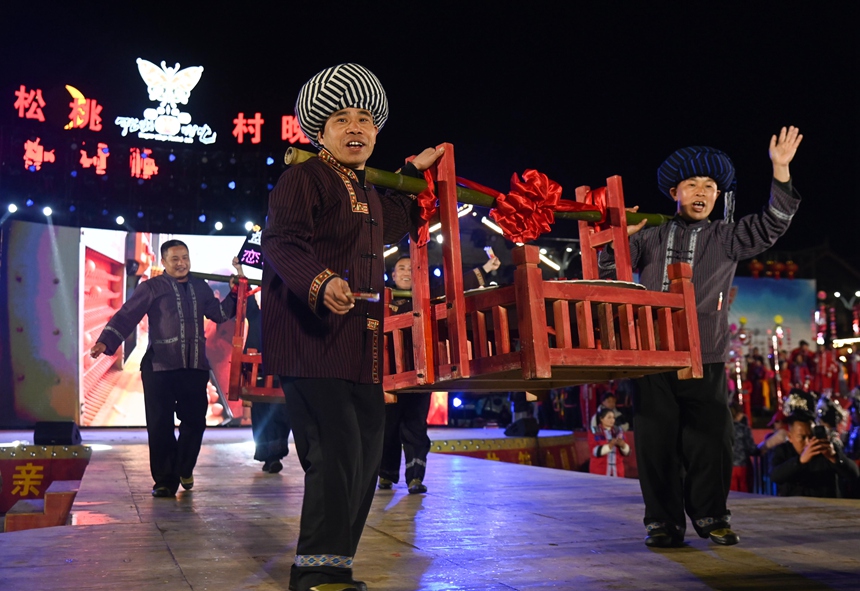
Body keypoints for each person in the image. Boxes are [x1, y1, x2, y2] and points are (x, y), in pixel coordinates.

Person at [259, 63, 443, 591]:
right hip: (309, 341)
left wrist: (414, 169)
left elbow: (401, 215)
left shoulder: (368, 192)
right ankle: (312, 573)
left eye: (364, 117)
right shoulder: (303, 177)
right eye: (341, 118)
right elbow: (281, 244)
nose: (355, 127)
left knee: (363, 457)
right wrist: (319, 280)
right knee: (334, 451)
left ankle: (334, 567)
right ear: (320, 131)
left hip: (362, 348)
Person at [599, 126, 804, 548]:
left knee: (712, 441)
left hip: (706, 356)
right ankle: (662, 523)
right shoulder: (652, 235)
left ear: (717, 197)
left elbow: (771, 225)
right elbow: (609, 276)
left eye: (710, 186)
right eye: (692, 183)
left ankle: (711, 516)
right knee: (656, 444)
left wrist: (780, 170)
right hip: (653, 356)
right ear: (674, 191)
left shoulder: (726, 237)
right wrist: (618, 242)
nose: (701, 191)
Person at [90, 240, 237, 497]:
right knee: (160, 426)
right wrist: (106, 341)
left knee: (194, 423)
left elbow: (220, 314)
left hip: (194, 367)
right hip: (160, 367)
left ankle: (183, 467)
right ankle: (165, 481)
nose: (181, 263)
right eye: (175, 259)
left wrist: (234, 294)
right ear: (164, 262)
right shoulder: (152, 288)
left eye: (185, 257)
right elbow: (127, 315)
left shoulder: (200, 288)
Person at [379, 255, 499, 494]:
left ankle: (415, 477)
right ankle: (386, 475)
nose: (405, 273)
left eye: (411, 269)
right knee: (387, 428)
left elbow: (455, 286)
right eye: (401, 269)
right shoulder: (382, 299)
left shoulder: (426, 298)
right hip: (389, 375)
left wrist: (485, 268)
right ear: (393, 276)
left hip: (421, 374)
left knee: (415, 426)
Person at [231, 258, 291, 473]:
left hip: (283, 370)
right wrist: (239, 269)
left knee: (282, 415)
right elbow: (244, 292)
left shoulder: (291, 317)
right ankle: (269, 456)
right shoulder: (257, 314)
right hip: (258, 370)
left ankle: (275, 454)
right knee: (261, 414)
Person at [770, 412, 859, 497]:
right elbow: (775, 476)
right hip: (795, 508)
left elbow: (854, 474)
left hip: (827, 507)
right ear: (790, 437)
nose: (808, 442)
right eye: (802, 437)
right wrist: (799, 461)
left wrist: (834, 457)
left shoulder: (826, 448)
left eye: (811, 436)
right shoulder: (783, 450)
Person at [588, 406, 630, 477]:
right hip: (599, 471)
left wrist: (623, 446)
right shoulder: (594, 431)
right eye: (609, 417)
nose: (612, 420)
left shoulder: (619, 431)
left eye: (613, 417)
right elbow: (594, 451)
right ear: (601, 419)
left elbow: (628, 452)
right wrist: (609, 445)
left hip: (618, 472)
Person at [729, 403, 759, 492]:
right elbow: (752, 449)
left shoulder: (722, 428)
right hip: (743, 467)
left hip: (727, 468)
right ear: (738, 415)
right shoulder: (743, 428)